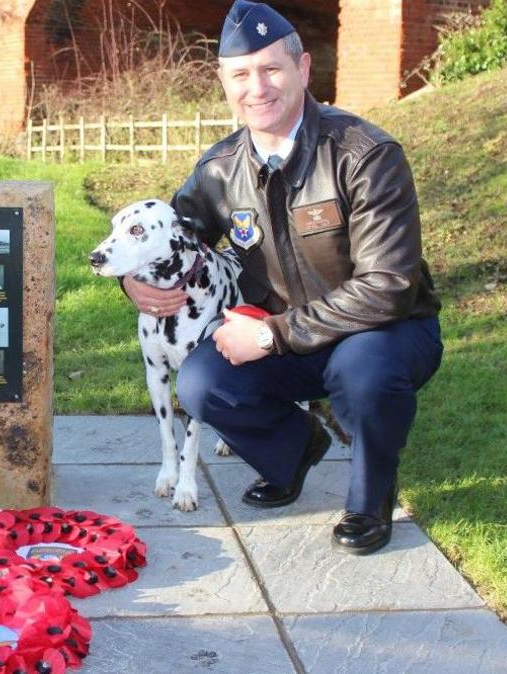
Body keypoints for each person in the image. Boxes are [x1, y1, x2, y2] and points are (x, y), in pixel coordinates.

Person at [120, 0, 442, 555]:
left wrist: (271, 334)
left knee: (363, 371)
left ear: (303, 69)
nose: (257, 87)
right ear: (224, 82)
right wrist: (131, 284)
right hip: (285, 337)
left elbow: (389, 285)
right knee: (201, 384)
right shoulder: (219, 169)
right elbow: (166, 234)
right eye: (241, 75)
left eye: (271, 69)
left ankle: (370, 498)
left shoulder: (365, 154)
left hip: (382, 332)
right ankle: (293, 451)